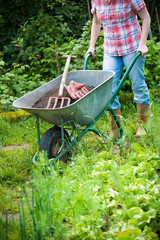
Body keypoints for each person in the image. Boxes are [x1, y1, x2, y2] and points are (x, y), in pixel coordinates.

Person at [87, 0, 151, 137]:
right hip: (110, 50)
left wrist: (143, 43)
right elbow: (97, 22)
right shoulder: (96, 1)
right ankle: (116, 130)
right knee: (108, 89)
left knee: (138, 85)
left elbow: (146, 18)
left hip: (133, 47)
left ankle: (143, 127)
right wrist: (91, 46)